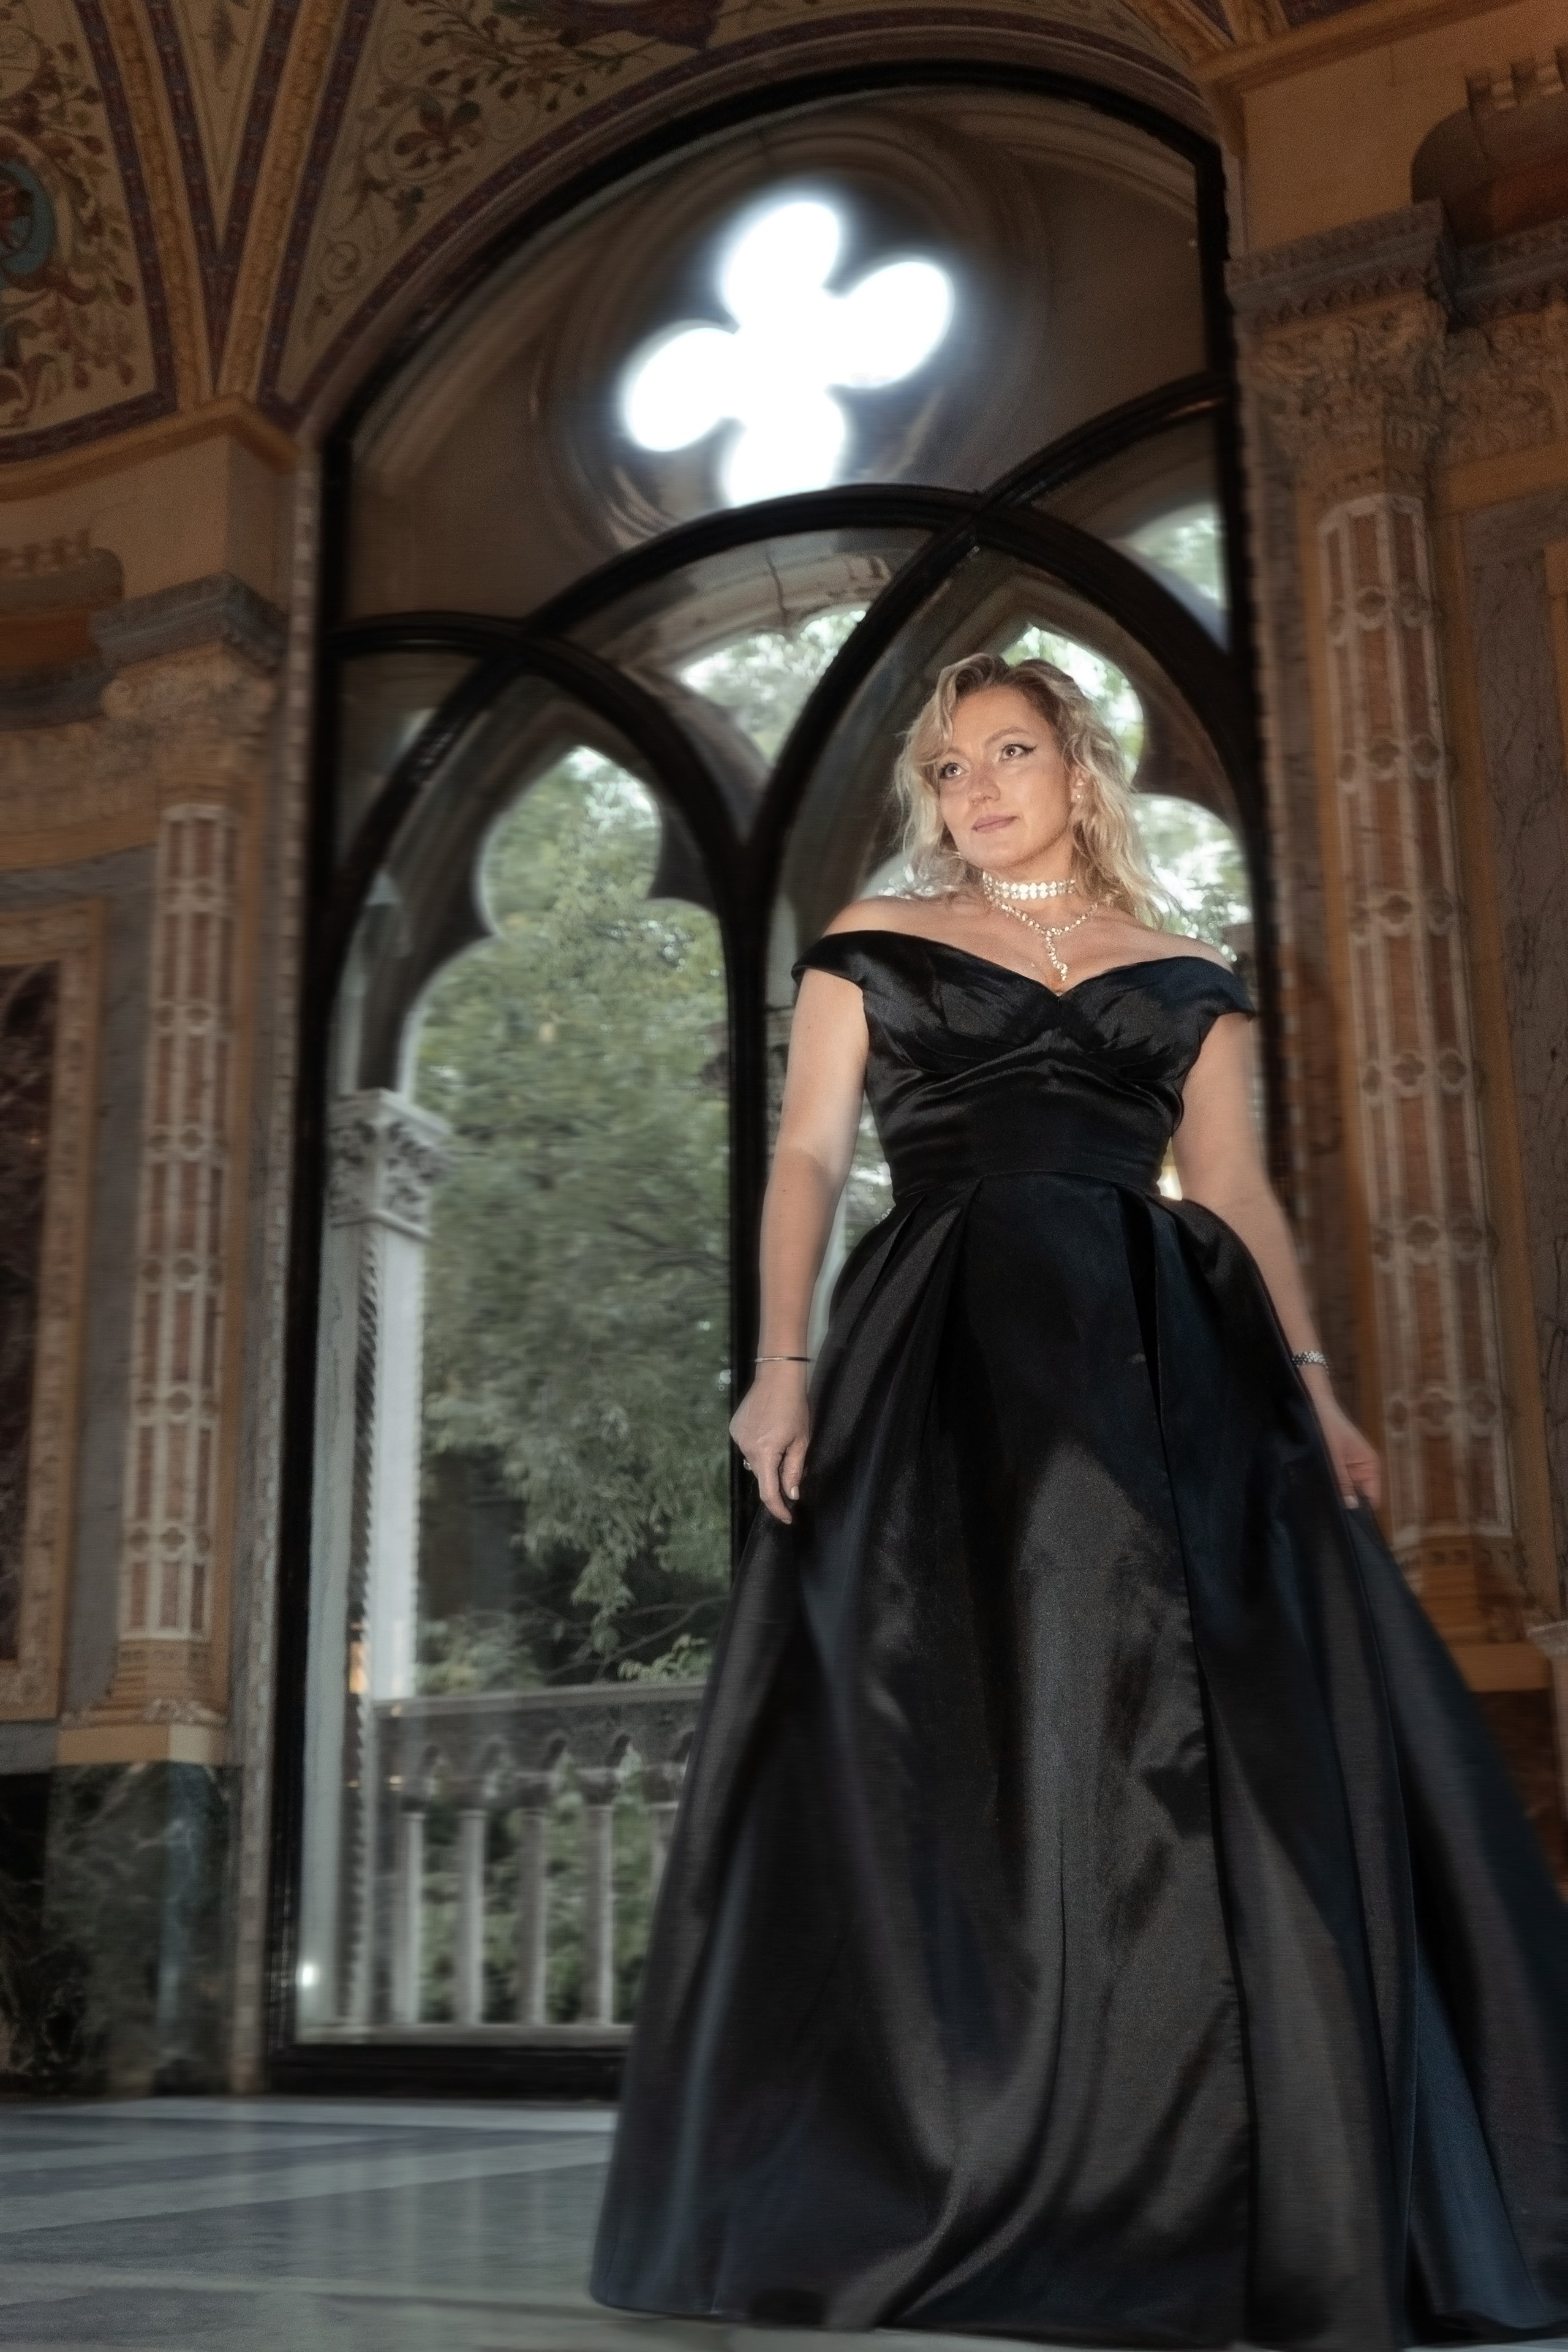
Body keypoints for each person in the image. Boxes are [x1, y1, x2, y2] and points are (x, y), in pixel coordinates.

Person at [590, 653, 1568, 2349]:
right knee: (971, 1721)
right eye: (951, 763)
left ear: (1079, 768)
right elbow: (813, 1156)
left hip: (1174, 1363)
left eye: (1012, 751)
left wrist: (1319, 1392)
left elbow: (1242, 1191)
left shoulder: (1186, 972)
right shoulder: (873, 947)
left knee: (1215, 1740)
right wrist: (782, 1360)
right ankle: (974, 2129)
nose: (977, 787)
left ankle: (1213, 2154)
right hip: (951, 1352)